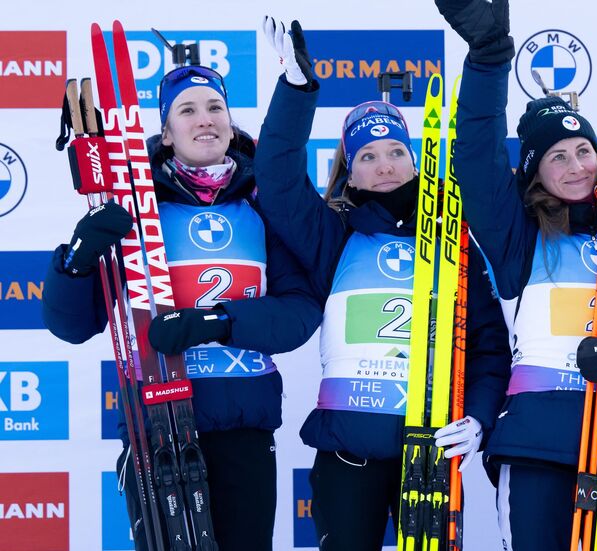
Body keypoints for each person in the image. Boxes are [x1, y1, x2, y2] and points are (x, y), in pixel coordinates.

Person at [42, 62, 321, 550]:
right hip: (156, 425)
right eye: (187, 110)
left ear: (230, 123)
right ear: (167, 134)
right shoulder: (135, 209)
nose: (205, 119)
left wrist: (216, 322)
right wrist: (77, 259)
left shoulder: (263, 205)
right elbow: (72, 325)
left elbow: (298, 313)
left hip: (244, 427)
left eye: (215, 107)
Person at [256, 18, 511, 551]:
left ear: (414, 160)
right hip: (349, 451)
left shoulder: (454, 240)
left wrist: (480, 418)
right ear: (349, 173)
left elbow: (489, 346)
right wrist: (296, 91)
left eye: (396, 151)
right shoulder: (333, 236)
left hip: (432, 447)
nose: (385, 165)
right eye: (367, 156)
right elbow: (278, 183)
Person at [435, 1, 597, 549]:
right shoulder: (519, 235)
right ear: (535, 171)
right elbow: (476, 159)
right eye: (557, 157)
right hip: (535, 439)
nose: (576, 166)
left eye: (583, 150)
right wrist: (489, 58)